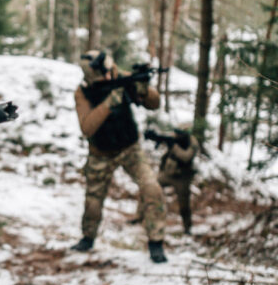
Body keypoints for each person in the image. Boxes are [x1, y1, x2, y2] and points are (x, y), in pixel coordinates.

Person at [70, 49, 168, 263]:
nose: (106, 78)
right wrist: (108, 104)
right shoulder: (83, 91)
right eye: (100, 77)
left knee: (152, 187)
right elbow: (87, 127)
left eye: (107, 73)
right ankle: (88, 238)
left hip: (129, 148)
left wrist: (144, 91)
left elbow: (154, 103)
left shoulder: (123, 78)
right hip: (100, 153)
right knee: (93, 201)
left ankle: (156, 242)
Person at [148, 125, 200, 234]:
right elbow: (164, 138)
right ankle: (140, 216)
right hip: (168, 174)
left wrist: (174, 146)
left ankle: (187, 227)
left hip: (182, 177)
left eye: (179, 133)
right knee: (150, 187)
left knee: (184, 204)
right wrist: (154, 137)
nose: (176, 135)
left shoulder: (192, 143)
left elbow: (186, 157)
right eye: (176, 132)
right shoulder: (174, 138)